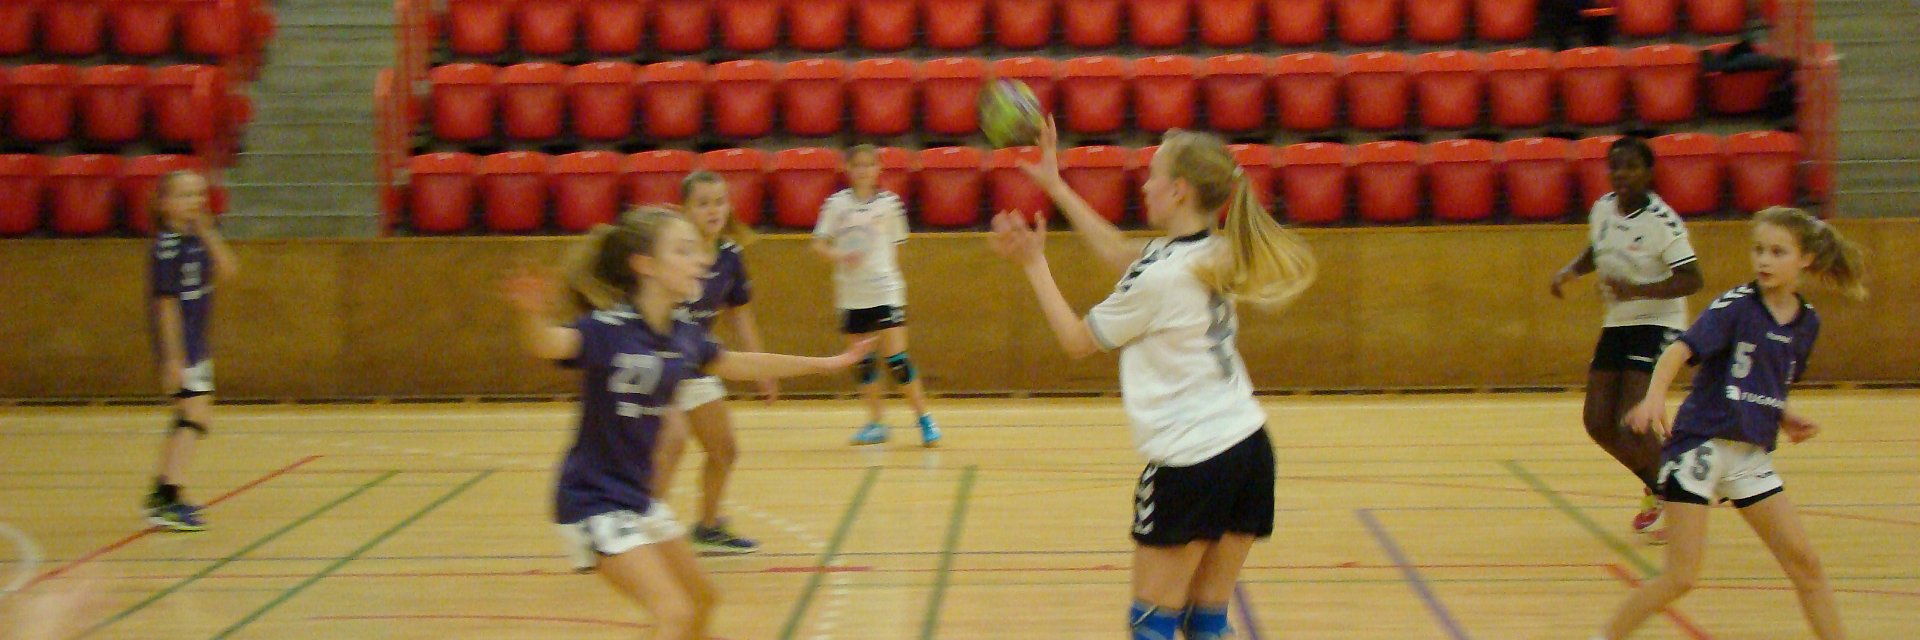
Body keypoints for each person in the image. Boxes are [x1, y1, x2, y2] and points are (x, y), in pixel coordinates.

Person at [990, 120, 1315, 640]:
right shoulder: (1207, 251)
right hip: (1248, 450)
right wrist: (1056, 187)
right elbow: (1121, 253)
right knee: (1207, 622)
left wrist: (1033, 262)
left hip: (1192, 462)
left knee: (1152, 625)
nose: (1144, 185)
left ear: (1179, 190)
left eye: (1154, 175)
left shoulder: (1163, 277)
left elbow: (1077, 341)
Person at [500, 208, 875, 640]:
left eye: (698, 250)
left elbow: (739, 363)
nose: (700, 260)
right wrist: (532, 315)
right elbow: (550, 343)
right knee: (673, 614)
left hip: (638, 498)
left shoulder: (683, 333)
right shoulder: (607, 329)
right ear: (645, 265)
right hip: (594, 501)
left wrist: (827, 364)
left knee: (702, 601)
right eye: (683, 251)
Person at [1596, 207, 1864, 640]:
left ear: (1806, 259)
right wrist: (1654, 396)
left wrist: (1784, 415)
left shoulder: (1806, 322)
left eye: (1777, 252)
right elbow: (1679, 350)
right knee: (1681, 577)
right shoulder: (1737, 306)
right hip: (1700, 446)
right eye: (1759, 250)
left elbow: (1763, 380)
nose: (1764, 260)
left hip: (1748, 455)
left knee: (1807, 566)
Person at [1550, 136, 1704, 541]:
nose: (1622, 174)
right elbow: (1597, 248)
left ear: (1649, 173)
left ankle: (1681, 500)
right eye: (1615, 166)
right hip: (1619, 323)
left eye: (1632, 167)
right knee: (1598, 422)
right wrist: (1570, 271)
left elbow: (1692, 278)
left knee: (1632, 421)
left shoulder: (1663, 222)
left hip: (1658, 322)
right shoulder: (1602, 208)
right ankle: (1657, 484)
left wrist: (1636, 290)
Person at [651, 171, 775, 555]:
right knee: (669, 449)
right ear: (684, 209)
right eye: (703, 203)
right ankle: (640, 531)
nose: (713, 210)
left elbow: (741, 317)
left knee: (724, 450)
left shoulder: (730, 256)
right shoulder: (670, 253)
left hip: (698, 363)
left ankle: (707, 527)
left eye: (719, 202)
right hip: (659, 365)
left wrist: (762, 370)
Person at [811, 145, 939, 446]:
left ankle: (924, 419)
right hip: (851, 294)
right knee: (864, 361)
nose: (864, 171)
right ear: (848, 169)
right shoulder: (836, 205)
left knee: (897, 359)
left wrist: (884, 276)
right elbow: (818, 244)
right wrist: (840, 256)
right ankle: (876, 423)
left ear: (878, 169)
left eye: (869, 165)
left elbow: (896, 246)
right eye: (858, 165)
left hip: (884, 291)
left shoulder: (890, 204)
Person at [144, 170, 238, 532]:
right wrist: (173, 358)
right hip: (181, 345)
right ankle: (169, 497)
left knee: (190, 416)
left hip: (197, 343)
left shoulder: (195, 239)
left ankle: (162, 492)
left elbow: (229, 269)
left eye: (199, 194)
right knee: (195, 417)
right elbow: (166, 305)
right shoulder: (167, 247)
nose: (195, 202)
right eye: (185, 195)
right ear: (164, 204)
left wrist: (208, 230)